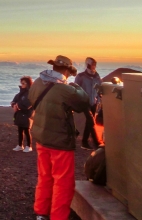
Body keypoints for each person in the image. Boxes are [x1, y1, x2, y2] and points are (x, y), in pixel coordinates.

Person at [30, 55, 89, 220]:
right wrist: (76, 86)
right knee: (63, 182)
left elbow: (32, 99)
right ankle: (58, 216)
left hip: (41, 137)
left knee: (45, 177)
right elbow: (83, 102)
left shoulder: (37, 82)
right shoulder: (65, 89)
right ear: (66, 71)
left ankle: (41, 212)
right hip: (60, 142)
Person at [74, 57, 102, 149]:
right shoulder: (81, 76)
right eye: (91, 64)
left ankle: (84, 142)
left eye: (94, 64)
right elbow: (75, 89)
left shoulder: (97, 76)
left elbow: (99, 89)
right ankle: (96, 143)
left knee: (89, 122)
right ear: (87, 65)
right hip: (84, 102)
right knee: (91, 121)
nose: (93, 66)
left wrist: (99, 99)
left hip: (94, 102)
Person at [10, 76, 33, 152]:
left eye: (24, 83)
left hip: (27, 115)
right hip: (19, 114)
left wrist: (18, 105)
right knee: (20, 130)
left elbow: (28, 104)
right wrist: (14, 104)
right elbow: (14, 100)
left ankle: (29, 146)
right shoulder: (20, 93)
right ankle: (20, 145)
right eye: (21, 83)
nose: (22, 84)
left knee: (27, 130)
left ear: (28, 84)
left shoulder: (30, 93)